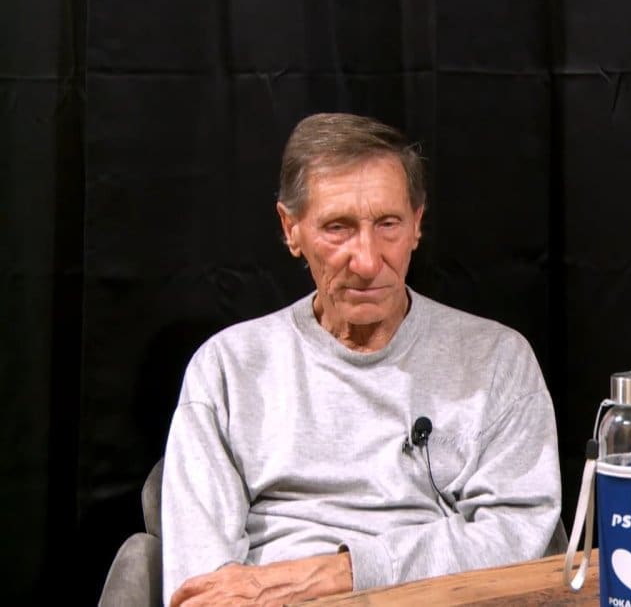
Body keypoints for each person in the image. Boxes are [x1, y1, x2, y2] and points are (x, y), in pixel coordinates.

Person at [160, 113, 562, 605]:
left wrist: (341, 573)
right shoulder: (227, 368)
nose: (368, 262)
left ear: (417, 224)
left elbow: (516, 536)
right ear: (291, 228)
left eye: (388, 224)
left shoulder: (497, 360)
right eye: (338, 228)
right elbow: (201, 581)